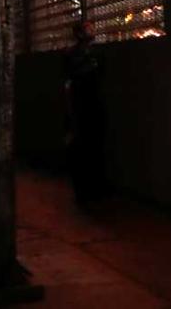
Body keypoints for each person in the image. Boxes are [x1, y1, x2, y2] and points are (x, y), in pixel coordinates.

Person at [64, 20, 108, 203]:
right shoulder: (75, 56)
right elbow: (69, 81)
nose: (93, 30)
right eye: (89, 28)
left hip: (92, 105)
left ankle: (93, 190)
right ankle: (84, 191)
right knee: (83, 149)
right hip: (81, 106)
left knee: (94, 148)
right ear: (80, 34)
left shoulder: (94, 54)